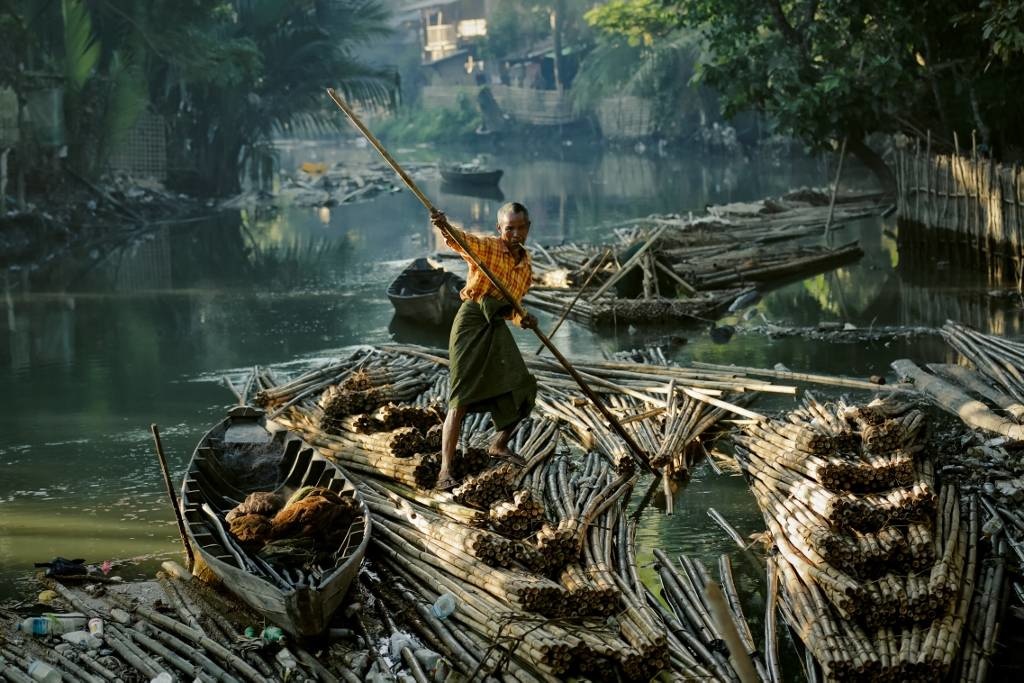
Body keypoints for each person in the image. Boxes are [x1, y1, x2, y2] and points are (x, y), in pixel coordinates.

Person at [430, 202, 538, 491]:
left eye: (520, 228)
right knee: (460, 397)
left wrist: (523, 319)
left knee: (523, 387)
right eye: (508, 229)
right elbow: (459, 240)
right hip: (472, 321)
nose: (514, 234)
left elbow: (512, 308)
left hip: (495, 326)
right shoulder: (488, 248)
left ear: (528, 228)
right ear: (499, 229)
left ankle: (499, 445)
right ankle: (445, 470)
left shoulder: (526, 268)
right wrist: (443, 224)